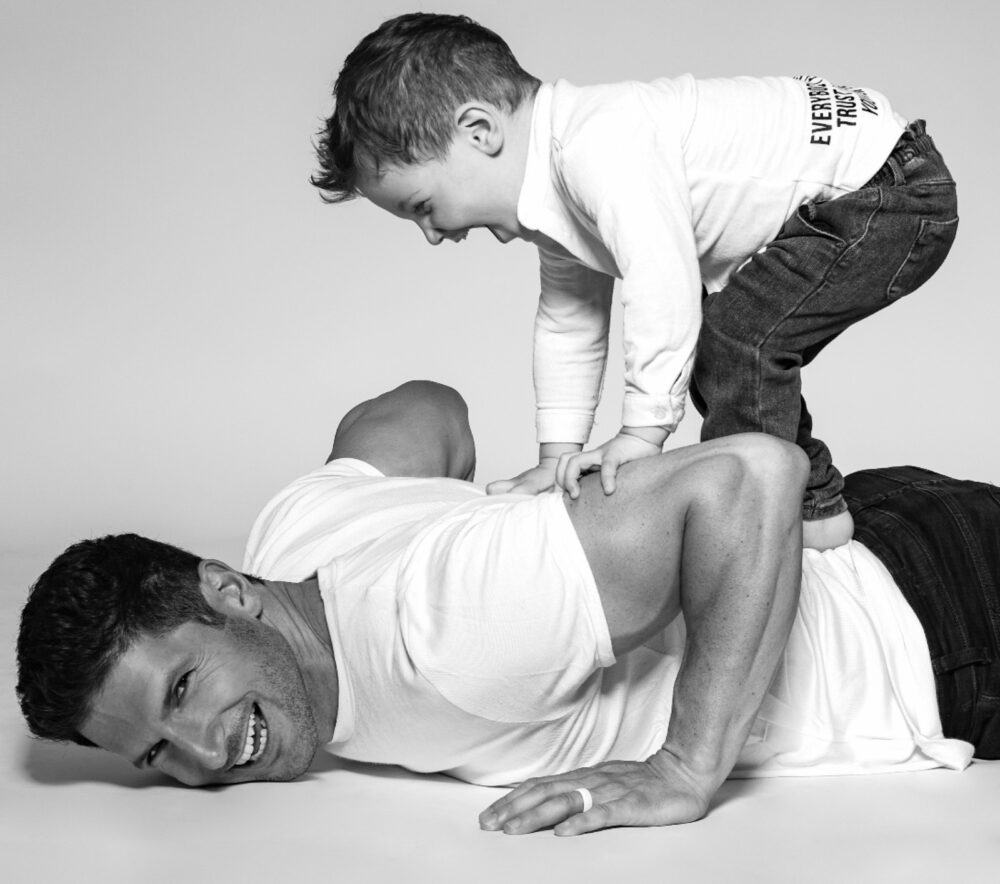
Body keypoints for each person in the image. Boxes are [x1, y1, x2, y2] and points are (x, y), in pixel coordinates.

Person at [16, 380, 997, 836]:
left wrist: (685, 769)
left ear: (228, 594)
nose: (204, 748)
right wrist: (491, 513)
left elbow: (754, 473)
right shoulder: (293, 532)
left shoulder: (454, 631)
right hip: (884, 524)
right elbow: (423, 406)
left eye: (184, 687)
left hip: (941, 630)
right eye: (158, 751)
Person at [311, 12, 959, 551]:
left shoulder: (600, 143)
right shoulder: (561, 196)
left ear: (478, 132)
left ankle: (797, 516)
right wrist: (555, 456)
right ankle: (807, 504)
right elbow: (569, 320)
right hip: (850, 192)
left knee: (736, 342)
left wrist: (642, 432)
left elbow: (662, 278)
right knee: (730, 345)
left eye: (422, 206)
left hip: (887, 189)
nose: (432, 234)